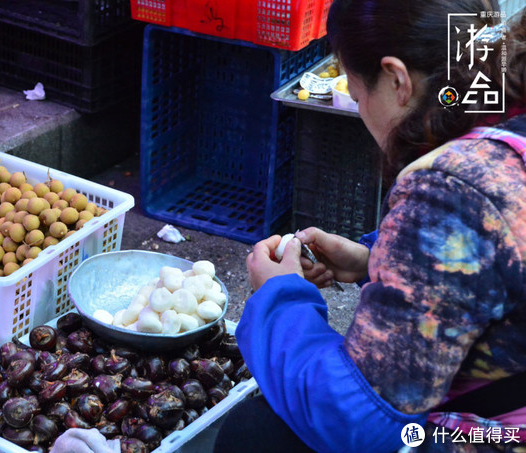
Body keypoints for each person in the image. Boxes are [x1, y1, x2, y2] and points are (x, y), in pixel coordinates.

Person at [214, 0, 526, 452]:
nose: (360, 110)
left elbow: (354, 418)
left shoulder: (452, 187)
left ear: (397, 79)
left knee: (258, 435)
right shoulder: (504, 100)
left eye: (358, 95)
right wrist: (377, 259)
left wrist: (277, 297)